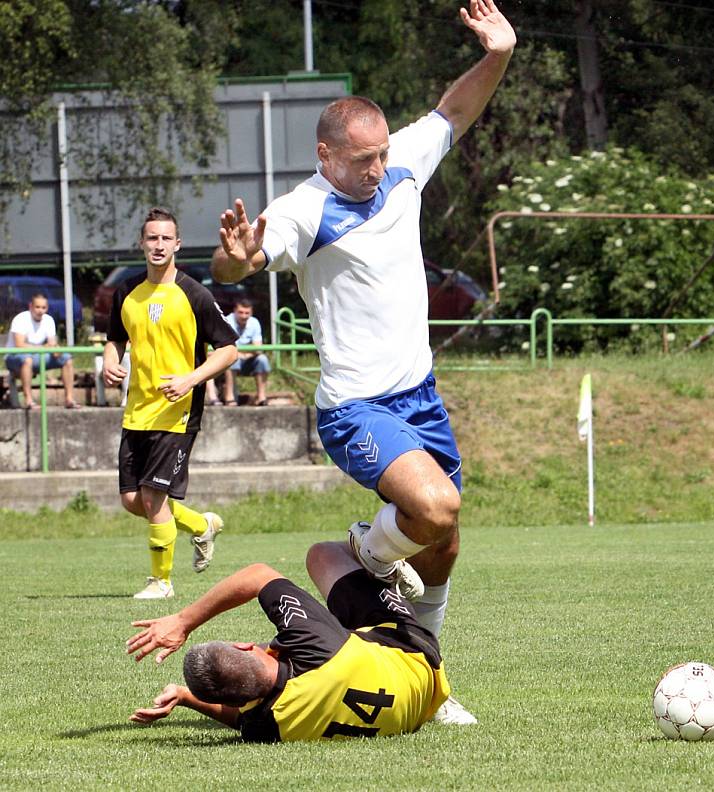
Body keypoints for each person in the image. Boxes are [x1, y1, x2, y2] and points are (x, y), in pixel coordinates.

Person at [210, 0, 515, 724]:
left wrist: (498, 54)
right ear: (325, 156)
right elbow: (240, 261)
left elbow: (452, 112)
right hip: (356, 408)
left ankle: (430, 679)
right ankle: (365, 550)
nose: (378, 169)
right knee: (436, 507)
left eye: (382, 154)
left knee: (443, 543)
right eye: (361, 159)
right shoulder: (302, 211)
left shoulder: (399, 163)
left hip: (420, 397)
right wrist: (238, 252)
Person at [127, 541, 450, 742]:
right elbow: (258, 575)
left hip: (416, 708)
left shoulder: (268, 725)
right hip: (413, 653)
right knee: (324, 554)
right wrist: (183, 622)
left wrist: (186, 697)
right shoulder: (313, 644)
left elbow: (240, 720)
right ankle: (380, 547)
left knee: (348, 647)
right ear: (242, 647)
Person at [103, 207, 238, 600]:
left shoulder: (194, 293)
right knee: (133, 501)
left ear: (177, 244)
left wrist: (190, 379)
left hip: (178, 412)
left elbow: (228, 349)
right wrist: (112, 361)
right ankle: (201, 525)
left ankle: (161, 582)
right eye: (152, 238)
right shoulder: (126, 292)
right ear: (142, 243)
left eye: (166, 238)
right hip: (137, 409)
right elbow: (115, 338)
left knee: (153, 497)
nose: (158, 245)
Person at [4, 293, 81, 409]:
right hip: (14, 357)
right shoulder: (20, 319)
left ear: (47, 308)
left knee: (66, 359)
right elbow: (19, 346)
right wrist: (45, 348)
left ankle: (69, 399)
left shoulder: (49, 320)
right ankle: (29, 400)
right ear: (30, 306)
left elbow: (52, 344)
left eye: (43, 308)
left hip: (39, 356)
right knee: (27, 360)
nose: (40, 311)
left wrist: (56, 350)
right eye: (37, 307)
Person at [221, 298, 271, 406]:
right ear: (234, 311)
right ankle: (230, 396)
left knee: (263, 359)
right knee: (232, 360)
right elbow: (226, 348)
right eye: (241, 312)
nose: (244, 316)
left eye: (247, 313)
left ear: (251, 312)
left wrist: (243, 354)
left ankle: (261, 397)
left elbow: (258, 348)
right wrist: (243, 352)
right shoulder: (227, 321)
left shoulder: (254, 322)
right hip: (230, 358)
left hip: (247, 358)